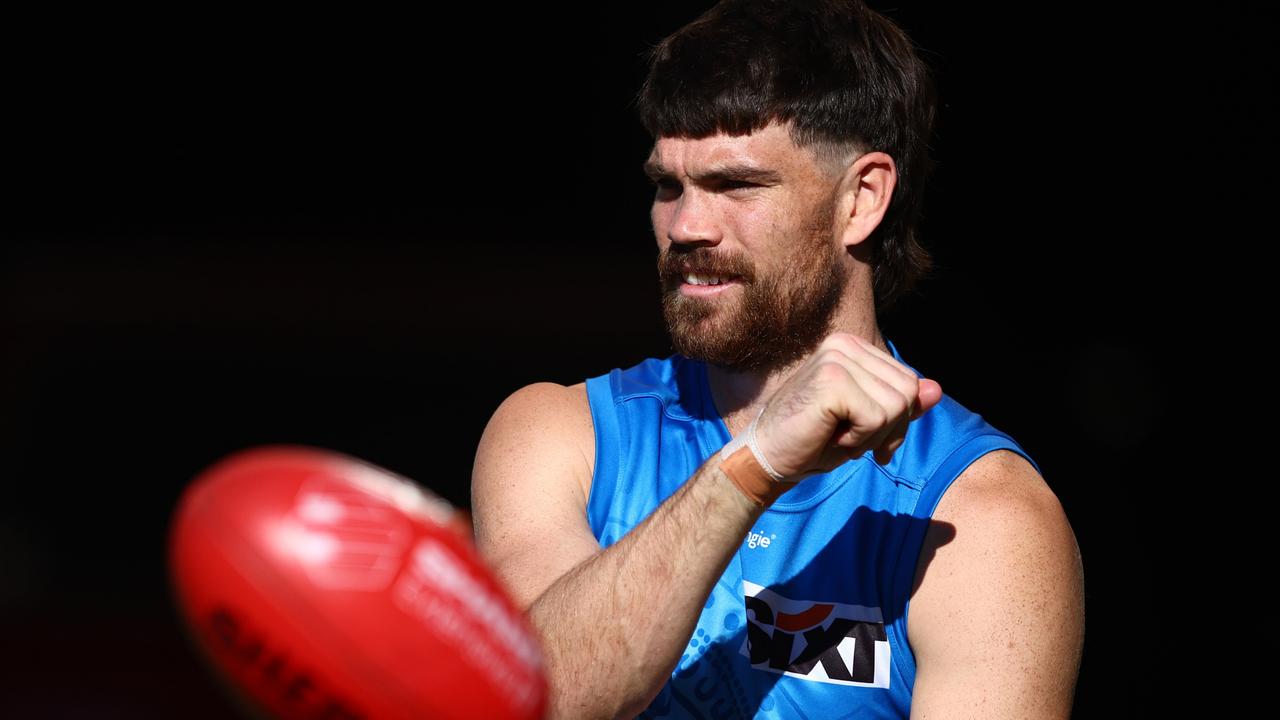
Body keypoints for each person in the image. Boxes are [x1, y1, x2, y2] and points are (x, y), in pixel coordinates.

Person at [470, 1, 1085, 717]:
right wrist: (752, 467)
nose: (686, 227)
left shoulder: (977, 517)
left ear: (861, 199)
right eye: (669, 186)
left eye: (737, 186)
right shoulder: (562, 434)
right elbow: (538, 697)